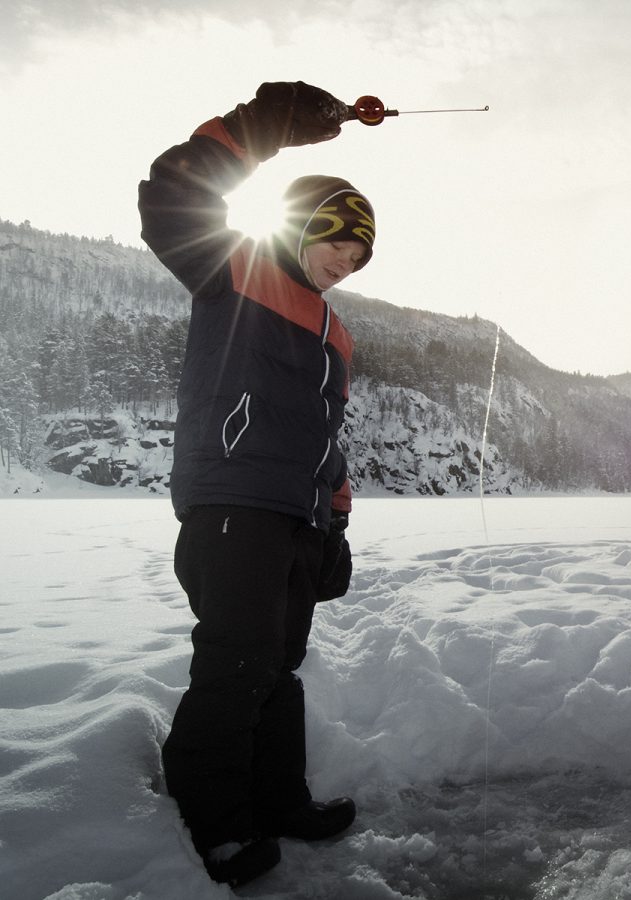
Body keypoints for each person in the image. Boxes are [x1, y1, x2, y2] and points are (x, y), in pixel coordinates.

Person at [138, 81, 370, 887]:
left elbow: (324, 438)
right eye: (339, 237)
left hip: (298, 519)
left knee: (279, 667)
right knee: (236, 665)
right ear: (304, 222)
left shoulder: (336, 330)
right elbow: (172, 193)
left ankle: (278, 800)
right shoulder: (232, 270)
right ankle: (213, 818)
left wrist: (334, 522)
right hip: (233, 506)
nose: (349, 258)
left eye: (361, 251)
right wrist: (261, 127)